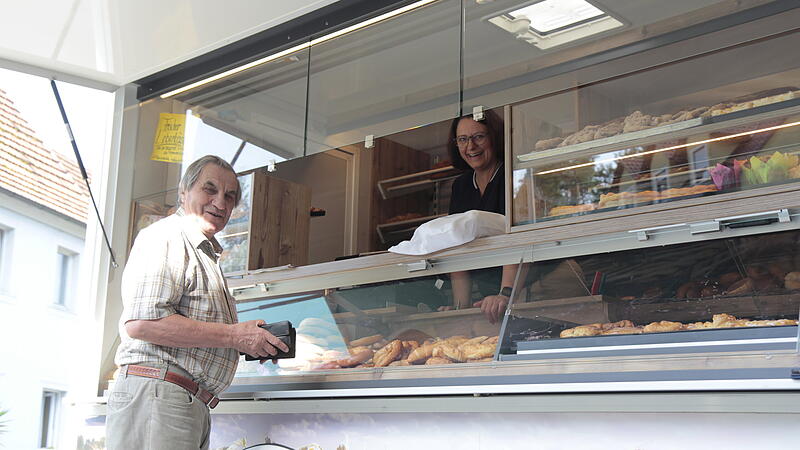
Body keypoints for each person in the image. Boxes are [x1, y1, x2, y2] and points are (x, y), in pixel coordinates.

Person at [107, 155, 289, 450]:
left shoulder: (204, 251)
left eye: (230, 196)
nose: (220, 202)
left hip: (181, 401)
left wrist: (250, 342)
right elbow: (143, 323)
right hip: (159, 396)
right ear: (184, 191)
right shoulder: (167, 237)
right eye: (210, 189)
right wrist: (234, 335)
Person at [445, 110, 519, 324]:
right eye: (462, 139)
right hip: (493, 295)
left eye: (478, 137)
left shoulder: (514, 174)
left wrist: (506, 293)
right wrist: (460, 309)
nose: (471, 146)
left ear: (494, 136)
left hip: (538, 282)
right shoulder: (461, 186)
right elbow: (457, 248)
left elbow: (518, 239)